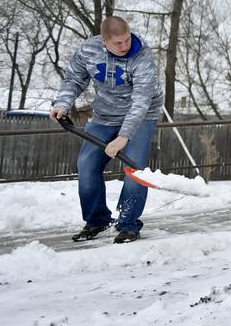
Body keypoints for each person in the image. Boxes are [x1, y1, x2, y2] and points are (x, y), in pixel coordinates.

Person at [50, 16, 163, 243]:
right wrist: (62, 103)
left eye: (127, 40)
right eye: (118, 43)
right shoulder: (88, 50)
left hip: (141, 116)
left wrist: (124, 137)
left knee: (134, 169)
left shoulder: (142, 55)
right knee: (87, 163)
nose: (125, 46)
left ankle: (129, 224)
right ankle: (97, 220)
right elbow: (74, 79)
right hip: (104, 115)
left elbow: (141, 100)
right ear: (104, 41)